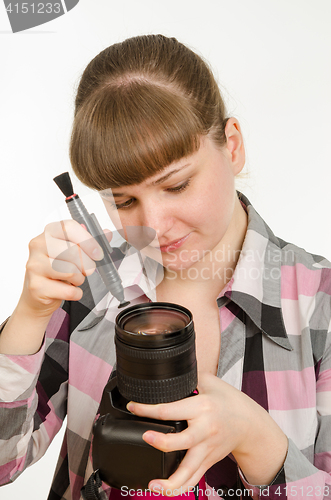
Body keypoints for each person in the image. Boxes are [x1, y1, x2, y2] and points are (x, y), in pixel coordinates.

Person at [0, 34, 330, 500]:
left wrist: (259, 442)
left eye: (175, 186)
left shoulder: (321, 306)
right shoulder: (88, 281)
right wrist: (28, 316)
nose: (153, 226)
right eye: (125, 200)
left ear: (232, 146)